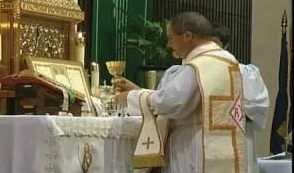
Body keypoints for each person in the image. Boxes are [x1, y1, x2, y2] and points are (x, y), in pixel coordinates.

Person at [115, 11, 247, 173]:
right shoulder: (228, 60)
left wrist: (132, 97)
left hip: (193, 147)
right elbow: (190, 97)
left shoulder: (199, 66)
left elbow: (170, 103)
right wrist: (141, 91)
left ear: (187, 36)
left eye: (170, 38)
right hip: (222, 144)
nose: (169, 45)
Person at [211, 24, 270, 173]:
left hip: (238, 135)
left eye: (215, 43)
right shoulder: (196, 72)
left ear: (226, 45)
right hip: (209, 140)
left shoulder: (245, 72)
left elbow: (257, 105)